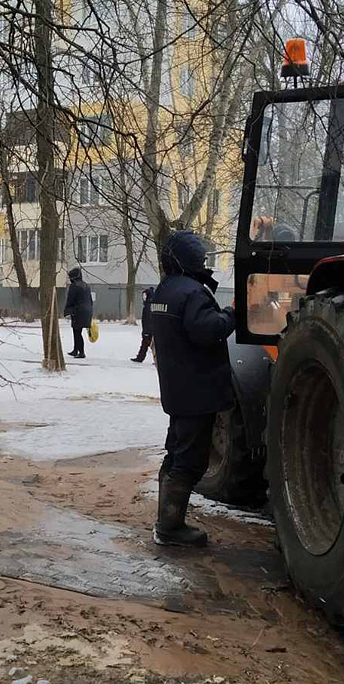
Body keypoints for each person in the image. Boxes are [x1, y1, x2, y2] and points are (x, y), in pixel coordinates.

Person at [149, 231, 235, 547]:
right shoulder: (191, 293)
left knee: (176, 453)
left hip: (178, 390)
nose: (203, 261)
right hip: (198, 391)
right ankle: (170, 527)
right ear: (190, 259)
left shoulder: (164, 291)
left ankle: (167, 521)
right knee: (189, 459)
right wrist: (232, 314)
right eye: (200, 257)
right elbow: (207, 330)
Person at [63, 266, 93, 359]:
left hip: (77, 311)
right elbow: (90, 300)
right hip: (86, 311)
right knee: (77, 331)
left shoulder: (74, 286)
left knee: (77, 332)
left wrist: (67, 310)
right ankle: (76, 350)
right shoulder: (86, 285)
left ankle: (81, 351)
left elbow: (70, 299)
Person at [130, 286, 155, 363]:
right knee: (146, 344)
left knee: (149, 345)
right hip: (149, 329)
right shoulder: (149, 305)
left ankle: (141, 358)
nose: (143, 297)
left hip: (149, 330)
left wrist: (147, 331)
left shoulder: (148, 306)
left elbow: (148, 320)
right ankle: (140, 358)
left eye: (144, 296)